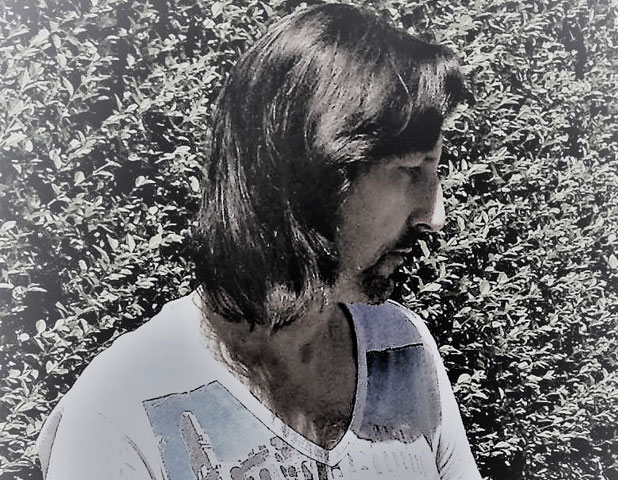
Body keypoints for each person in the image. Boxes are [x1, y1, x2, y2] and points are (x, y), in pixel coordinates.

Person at [37, 4, 482, 479]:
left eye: (435, 170)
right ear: (308, 175)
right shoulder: (120, 409)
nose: (435, 216)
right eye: (411, 170)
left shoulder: (402, 349)